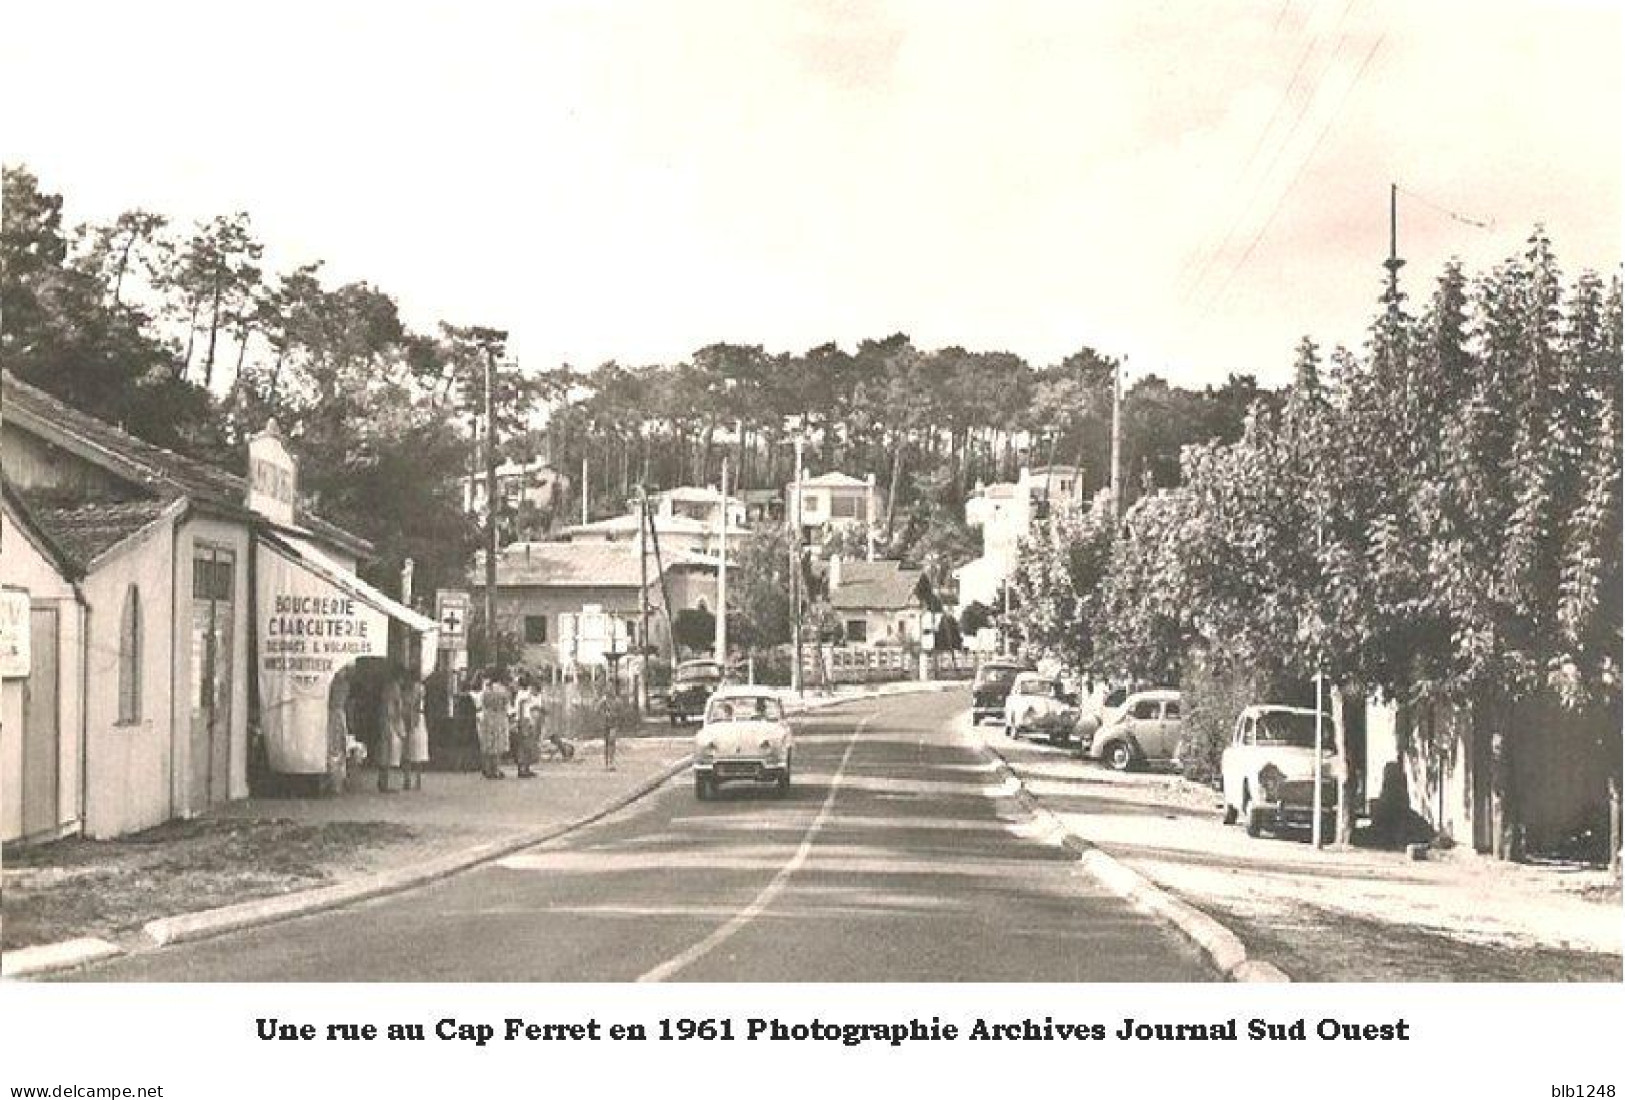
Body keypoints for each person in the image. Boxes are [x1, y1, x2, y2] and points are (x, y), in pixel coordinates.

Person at [478, 668, 512, 779]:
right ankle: (496, 769)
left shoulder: (487, 690)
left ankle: (487, 768)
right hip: (499, 717)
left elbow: (483, 703)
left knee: (488, 743)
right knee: (498, 744)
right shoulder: (503, 690)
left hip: (487, 717)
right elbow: (506, 704)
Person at [377, 667, 405, 793]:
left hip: (384, 719)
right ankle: (384, 783)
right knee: (388, 752)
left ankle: (382, 780)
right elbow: (396, 706)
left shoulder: (386, 688)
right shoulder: (395, 688)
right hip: (390, 720)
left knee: (385, 751)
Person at [402, 668, 430, 791]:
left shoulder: (407, 690)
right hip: (419, 718)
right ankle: (417, 779)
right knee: (418, 750)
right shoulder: (421, 688)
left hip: (410, 717)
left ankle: (407, 779)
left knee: (408, 749)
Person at [513, 701, 542, 778]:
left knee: (530, 747)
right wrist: (522, 724)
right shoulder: (522, 695)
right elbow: (520, 708)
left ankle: (526, 768)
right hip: (524, 720)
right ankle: (521, 769)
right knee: (523, 747)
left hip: (530, 720)